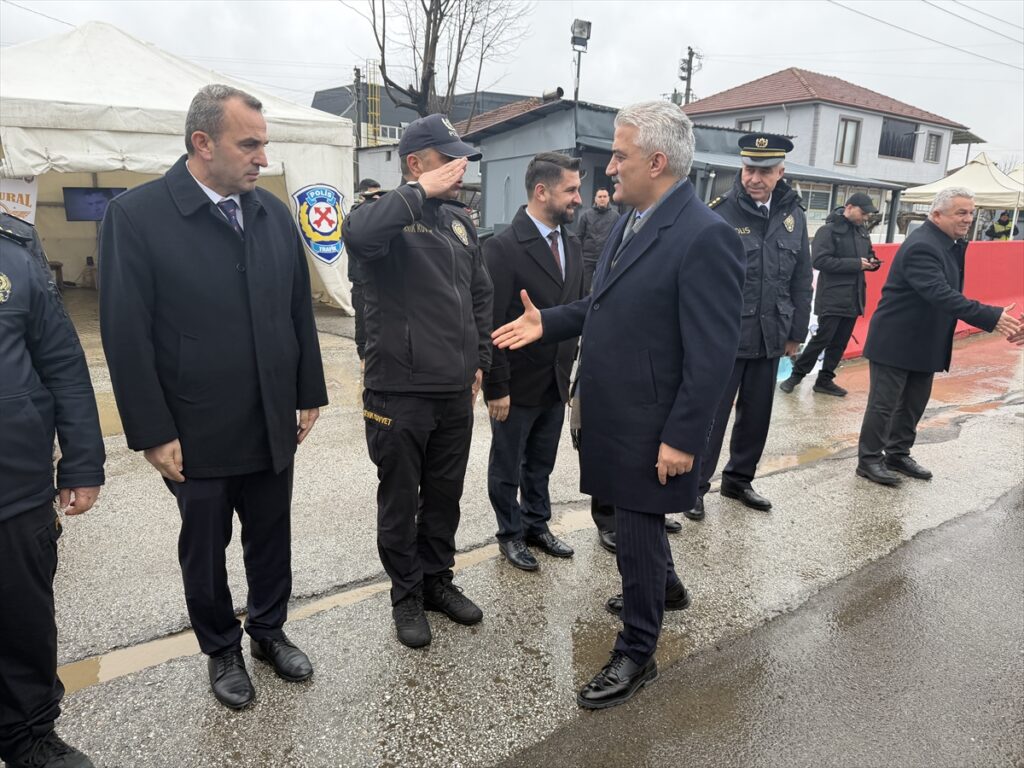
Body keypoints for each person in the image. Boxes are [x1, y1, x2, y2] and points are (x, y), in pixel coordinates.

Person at [492, 101, 744, 709]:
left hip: (651, 422)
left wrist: (682, 438)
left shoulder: (704, 236)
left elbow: (713, 355)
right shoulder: (632, 221)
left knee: (634, 531)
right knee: (633, 523)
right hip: (615, 410)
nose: (609, 168)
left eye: (619, 155)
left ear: (656, 162)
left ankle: (637, 650)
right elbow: (602, 304)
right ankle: (667, 588)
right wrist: (548, 322)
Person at [99, 85, 328, 710]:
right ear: (202, 143)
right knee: (204, 547)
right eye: (249, 145)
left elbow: (296, 309)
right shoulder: (137, 216)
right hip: (194, 425)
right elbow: (125, 333)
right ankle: (221, 648)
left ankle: (269, 631)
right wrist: (152, 431)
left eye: (264, 145)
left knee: (271, 534)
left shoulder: (271, 212)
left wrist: (307, 390)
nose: (263, 158)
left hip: (270, 415)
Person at [341, 114, 493, 649]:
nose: (459, 168)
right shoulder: (379, 215)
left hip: (454, 391)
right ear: (415, 163)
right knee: (400, 501)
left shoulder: (458, 222)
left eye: (461, 159)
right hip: (399, 391)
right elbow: (358, 236)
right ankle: (405, 594)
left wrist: (479, 359)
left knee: (445, 496)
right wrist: (416, 192)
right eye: (447, 159)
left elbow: (479, 294)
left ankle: (436, 581)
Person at [0, 214, 105, 768]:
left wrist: (83, 461)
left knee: (23, 623)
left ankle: (29, 737)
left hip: (14, 488)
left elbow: (62, 361)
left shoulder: (14, 250)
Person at [856, 187, 1021, 486]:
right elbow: (940, 293)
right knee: (884, 404)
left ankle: (897, 454)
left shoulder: (948, 244)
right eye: (961, 213)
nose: (968, 219)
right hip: (897, 339)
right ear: (936, 214)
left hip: (925, 338)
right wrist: (991, 315)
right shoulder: (923, 246)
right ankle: (868, 460)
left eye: (971, 213)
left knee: (913, 403)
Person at [687, 133, 812, 521]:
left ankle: (739, 480)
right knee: (712, 416)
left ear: (780, 173)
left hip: (771, 333)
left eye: (764, 171)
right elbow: (699, 280)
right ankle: (695, 487)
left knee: (757, 415)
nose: (754, 178)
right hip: (725, 337)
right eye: (748, 169)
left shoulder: (793, 215)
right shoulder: (720, 212)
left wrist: (796, 332)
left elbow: (801, 278)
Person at [483, 152, 584, 571]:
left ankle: (536, 524)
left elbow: (577, 310)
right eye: (571, 190)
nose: (578, 198)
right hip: (516, 382)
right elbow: (490, 322)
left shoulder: (572, 245)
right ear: (542, 192)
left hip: (555, 380)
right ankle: (510, 533)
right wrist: (497, 387)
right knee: (507, 465)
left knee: (541, 463)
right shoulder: (502, 248)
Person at [780, 192, 881, 397]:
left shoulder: (862, 231)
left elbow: (869, 254)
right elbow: (819, 261)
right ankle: (796, 376)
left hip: (855, 296)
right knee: (822, 338)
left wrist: (872, 262)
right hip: (833, 296)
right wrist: (856, 264)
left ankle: (825, 380)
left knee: (840, 342)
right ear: (849, 207)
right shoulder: (828, 231)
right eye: (863, 213)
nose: (865, 217)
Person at [348, 178, 384, 366]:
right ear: (362, 196)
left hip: (380, 283)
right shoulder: (354, 219)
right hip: (361, 283)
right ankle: (364, 360)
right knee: (363, 325)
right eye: (372, 196)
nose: (376, 200)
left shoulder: (379, 219)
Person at [574, 187, 617, 294]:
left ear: (609, 198)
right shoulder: (586, 215)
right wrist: (578, 255)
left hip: (605, 258)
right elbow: (579, 236)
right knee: (584, 287)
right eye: (600, 196)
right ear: (595, 199)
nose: (602, 199)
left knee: (602, 287)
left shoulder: (615, 217)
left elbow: (618, 238)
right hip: (587, 258)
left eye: (604, 196)